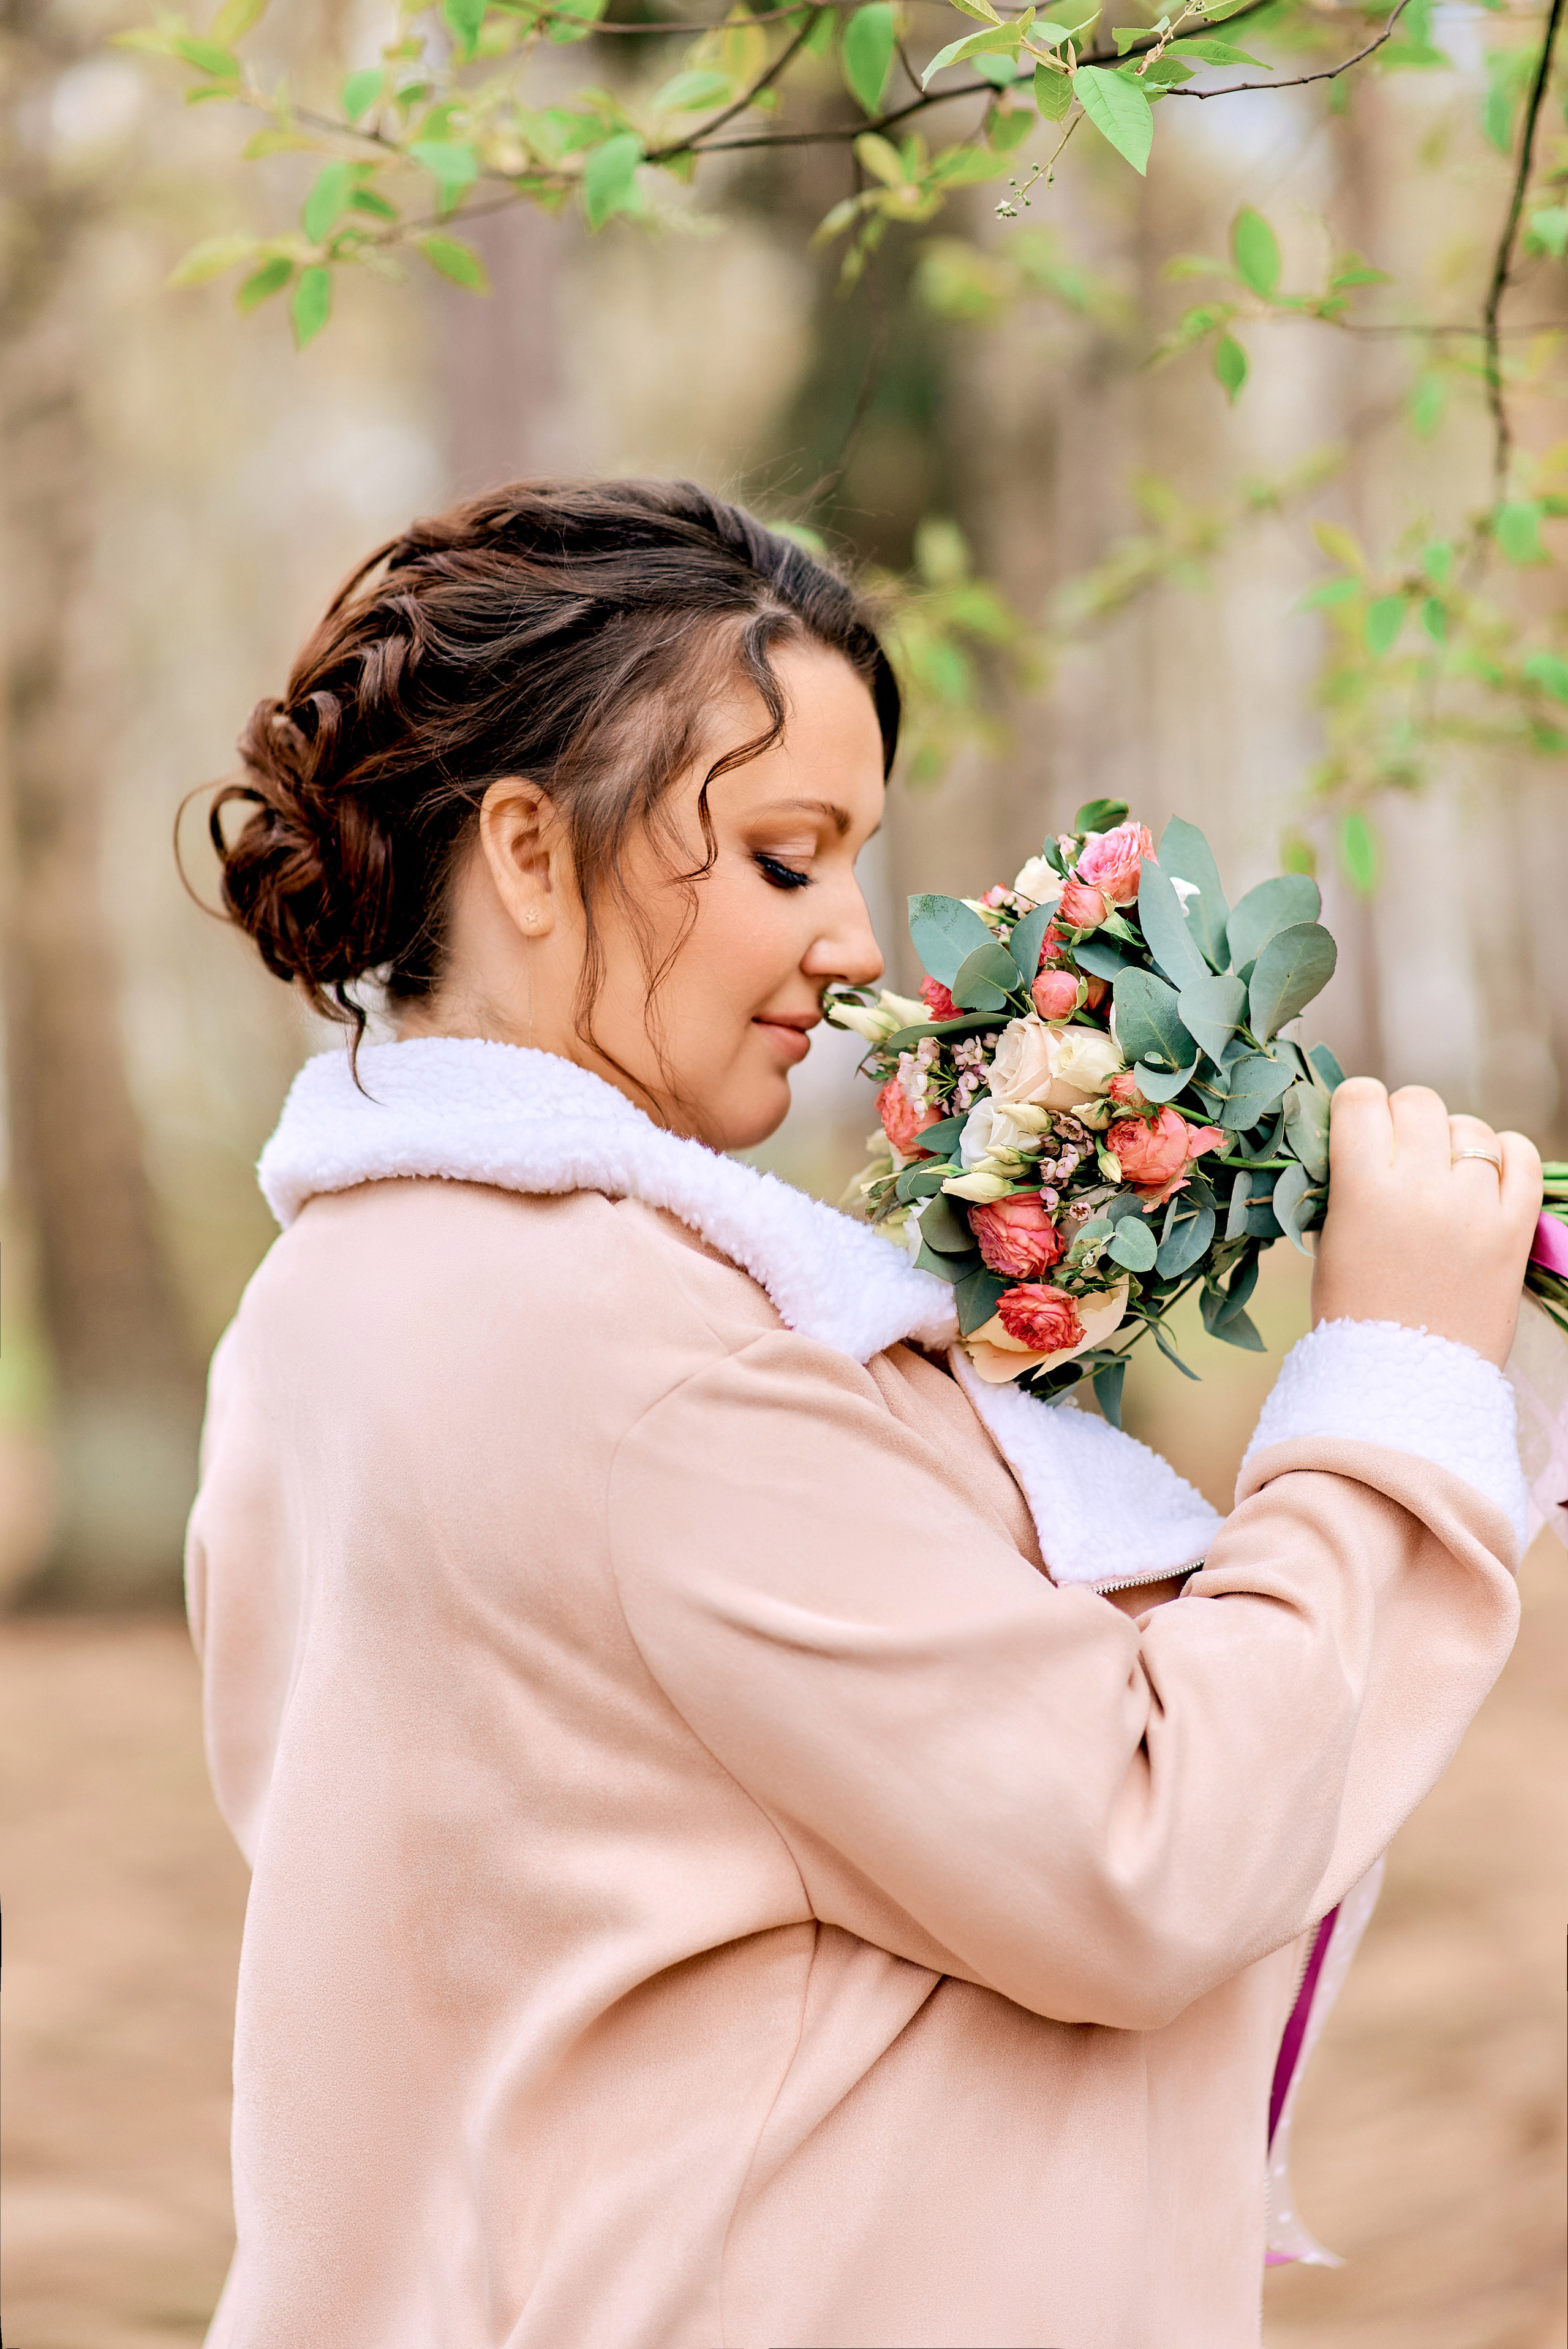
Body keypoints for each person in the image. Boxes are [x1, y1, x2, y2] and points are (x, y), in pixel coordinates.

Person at [186, 477, 1540, 2349]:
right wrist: (1394, 1375)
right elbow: (1148, 1845)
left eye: (853, 863)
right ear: (526, 848)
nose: (853, 945)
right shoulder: (649, 1360)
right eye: (781, 858)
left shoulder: (318, 1310)